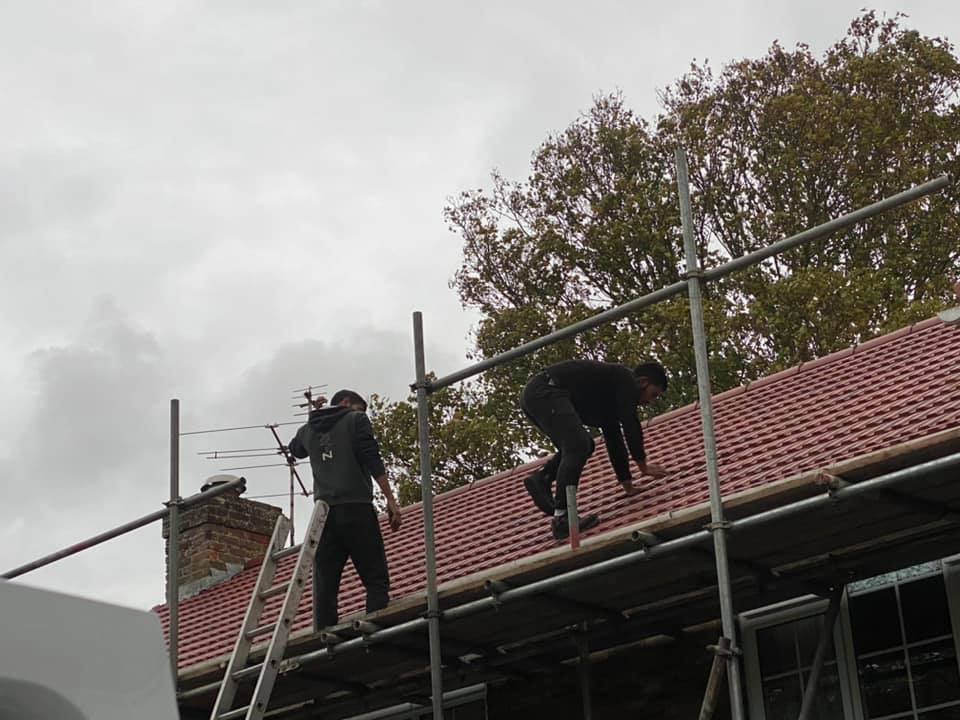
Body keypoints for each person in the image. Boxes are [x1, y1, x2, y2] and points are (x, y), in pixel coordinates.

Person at [288, 389, 402, 630]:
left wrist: (315, 417)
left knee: (325, 587)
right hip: (356, 507)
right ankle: (378, 633)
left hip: (324, 517)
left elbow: (295, 449)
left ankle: (324, 640)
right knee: (375, 578)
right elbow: (371, 458)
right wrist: (391, 499)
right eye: (359, 408)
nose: (361, 413)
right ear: (347, 402)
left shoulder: (308, 429)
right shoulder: (355, 419)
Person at [520, 360, 669, 540]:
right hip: (546, 391)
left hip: (538, 395)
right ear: (642, 382)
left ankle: (542, 478)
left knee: (583, 445)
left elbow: (614, 439)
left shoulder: (610, 398)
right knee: (578, 445)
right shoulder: (626, 380)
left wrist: (627, 484)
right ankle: (562, 519)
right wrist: (643, 466)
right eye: (653, 394)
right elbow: (631, 425)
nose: (649, 402)